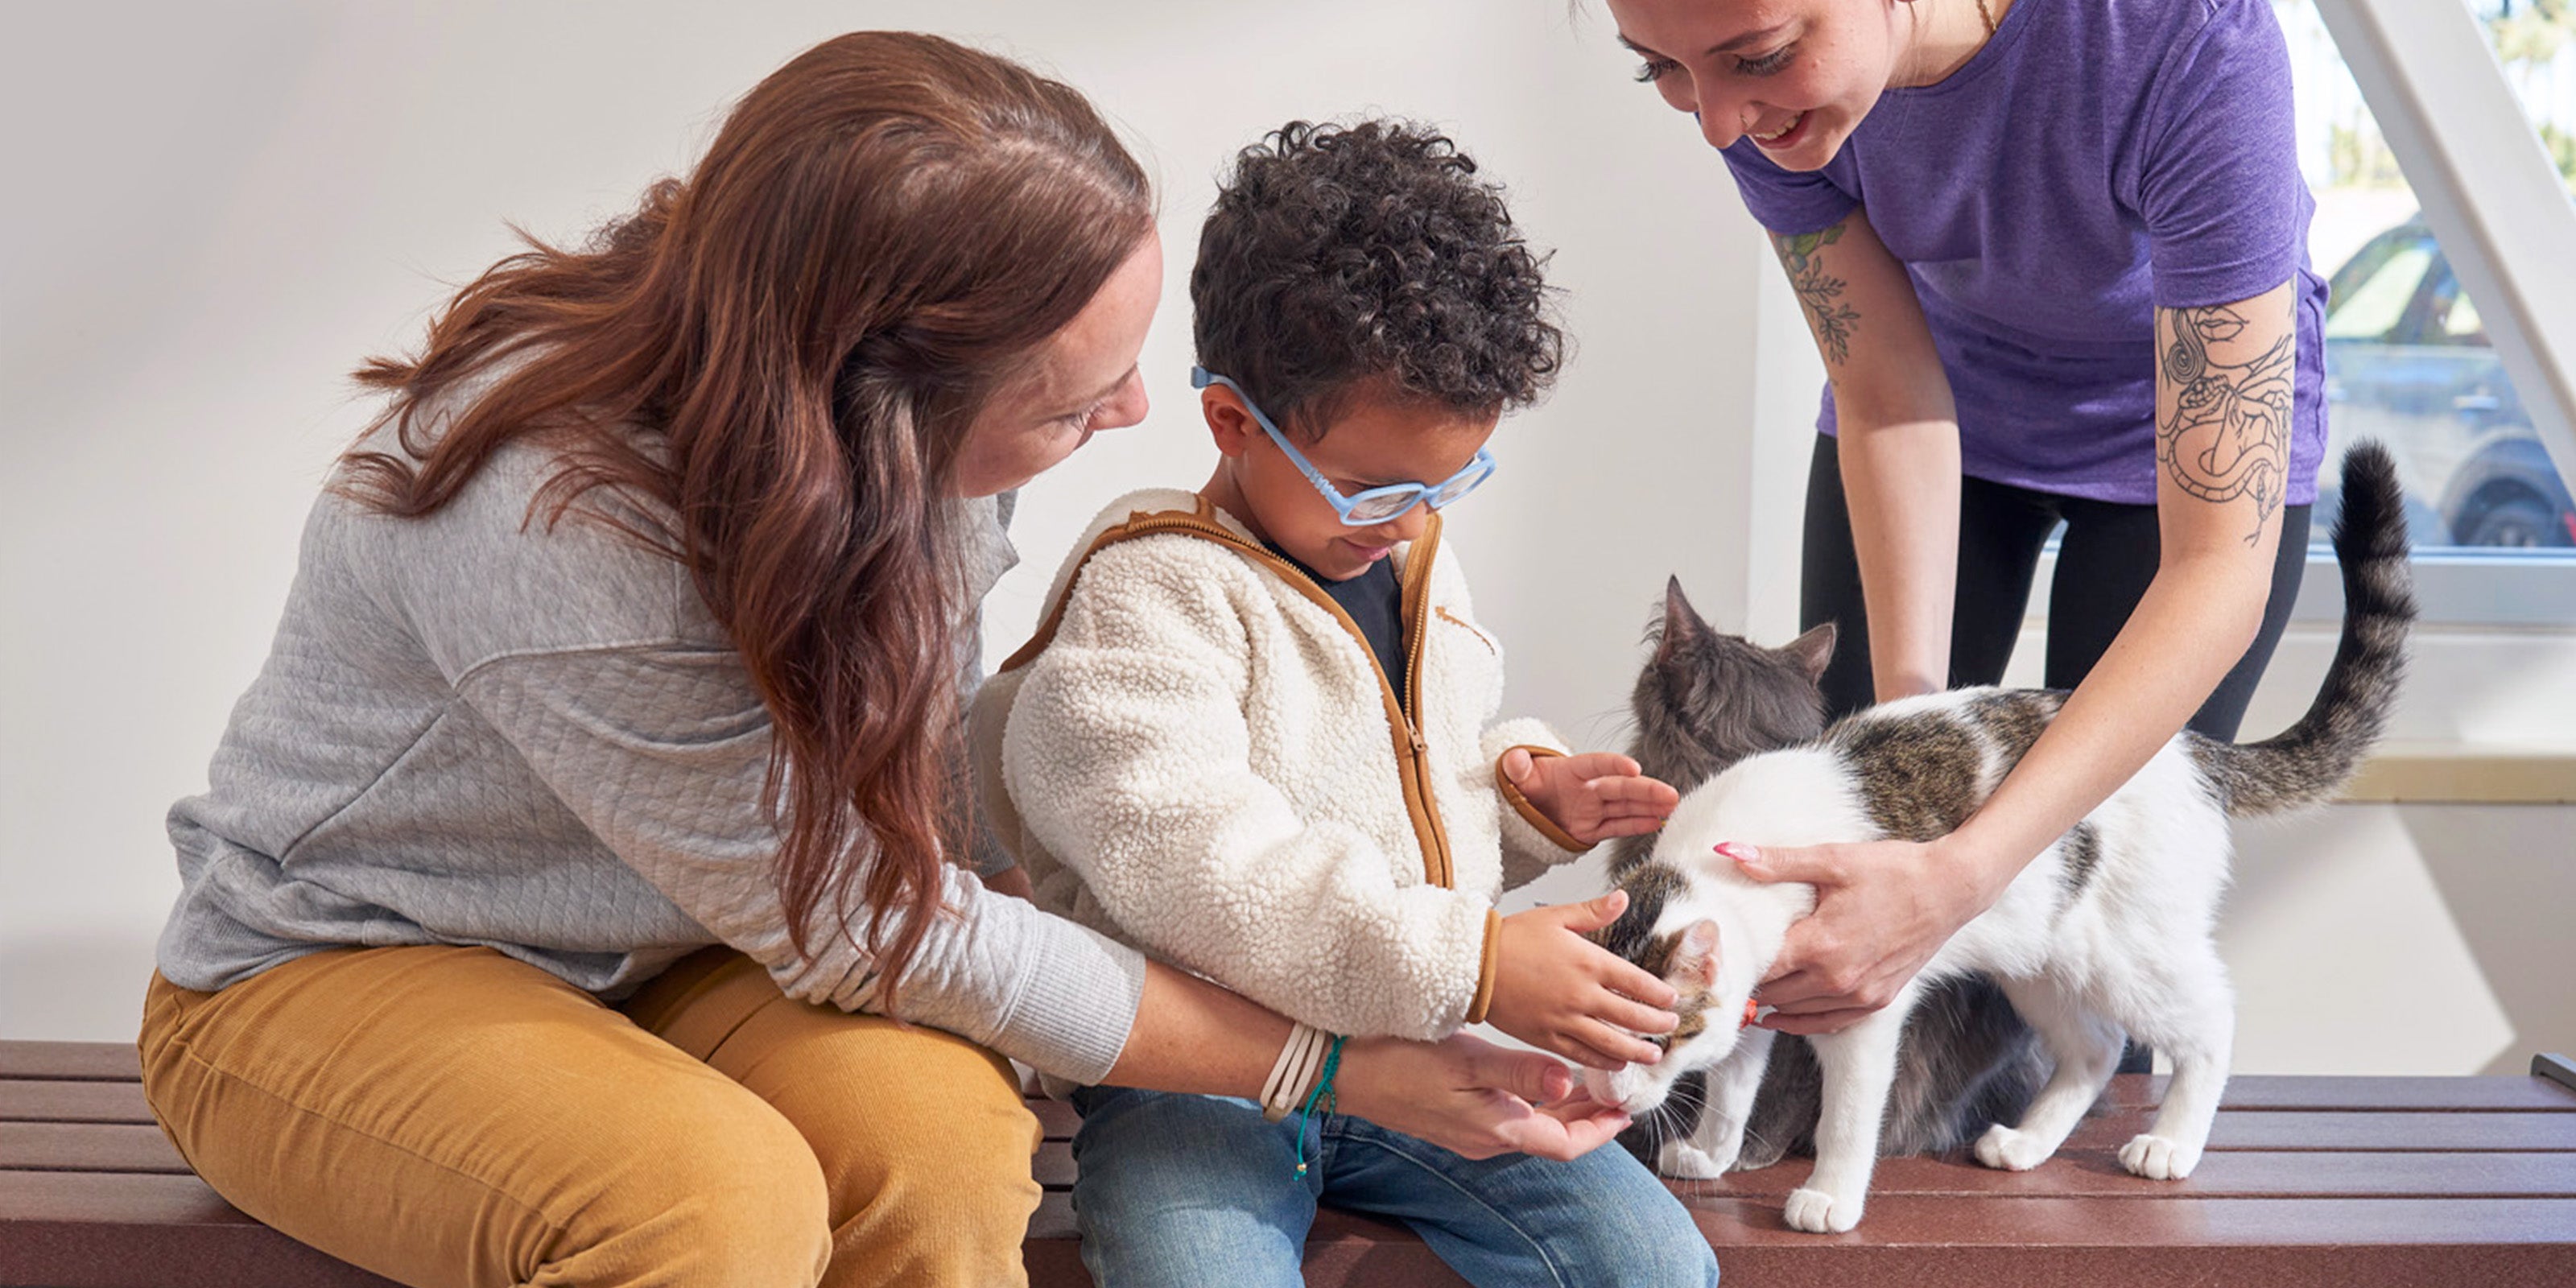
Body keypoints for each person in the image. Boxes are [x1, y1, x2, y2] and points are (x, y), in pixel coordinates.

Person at [136, 34, 1648, 1288]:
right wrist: (1329, 1066)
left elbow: (919, 835)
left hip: (707, 949)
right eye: (1072, 401)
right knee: (707, 1210)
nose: (1135, 418)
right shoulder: (554, 530)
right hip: (352, 965)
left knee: (939, 1150)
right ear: (877, 399)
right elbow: (879, 926)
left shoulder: (907, 465)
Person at [974, 120, 1716, 1288]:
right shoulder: (1148, 594)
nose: (1414, 518)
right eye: (1379, 486)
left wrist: (1523, 802)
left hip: (1412, 1039)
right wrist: (1474, 963)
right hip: (1202, 1077)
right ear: (1231, 422)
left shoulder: (1408, 557)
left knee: (1652, 1265)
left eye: (1451, 480)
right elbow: (1202, 869)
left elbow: (1412, 786)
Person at [1602, 0, 2323, 1045]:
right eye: (1660, 70)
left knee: (2096, 905)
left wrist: (1964, 874)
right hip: (1934, 403)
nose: (1717, 122)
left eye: (1757, 58)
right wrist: (1919, 766)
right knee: (1858, 881)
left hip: (2179, 448)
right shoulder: (1764, 106)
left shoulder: (2189, 40)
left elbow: (2218, 566)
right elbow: (1888, 394)